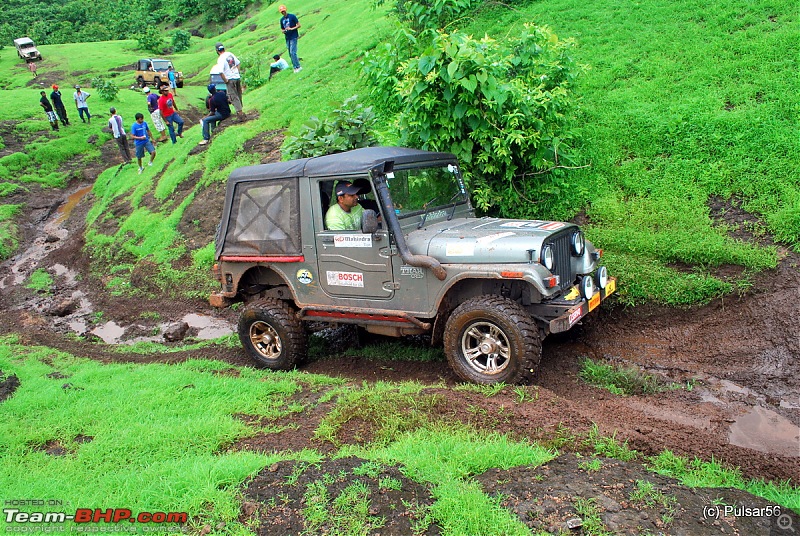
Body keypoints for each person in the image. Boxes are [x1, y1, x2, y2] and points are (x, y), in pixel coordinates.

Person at [214, 43, 244, 120]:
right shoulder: (230, 54)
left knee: (233, 96)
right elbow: (238, 63)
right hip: (237, 77)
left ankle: (240, 114)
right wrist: (237, 72)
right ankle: (241, 111)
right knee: (238, 94)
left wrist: (226, 80)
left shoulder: (220, 59)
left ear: (217, 51)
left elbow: (220, 72)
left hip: (230, 79)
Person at [279, 5, 302, 73]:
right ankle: (295, 67)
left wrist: (291, 28)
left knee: (293, 52)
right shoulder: (281, 20)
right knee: (290, 53)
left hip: (293, 36)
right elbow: (282, 28)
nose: (283, 12)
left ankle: (298, 67)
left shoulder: (292, 16)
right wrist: (283, 31)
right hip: (287, 37)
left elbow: (299, 25)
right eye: (281, 11)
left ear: (286, 10)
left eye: (283, 11)